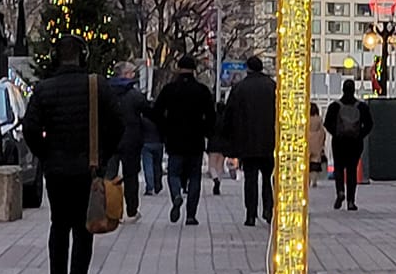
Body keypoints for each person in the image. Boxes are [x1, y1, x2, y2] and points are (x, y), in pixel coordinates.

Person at [21, 37, 123, 274]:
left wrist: (45, 153)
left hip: (55, 169)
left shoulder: (44, 89)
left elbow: (29, 128)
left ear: (57, 57)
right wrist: (102, 155)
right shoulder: (96, 85)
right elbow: (117, 123)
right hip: (87, 168)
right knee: (83, 228)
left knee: (58, 224)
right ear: (82, 56)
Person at [152, 55, 216, 226]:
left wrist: (164, 130)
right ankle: (191, 216)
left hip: (174, 139)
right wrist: (206, 132)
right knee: (195, 177)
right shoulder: (202, 90)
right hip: (195, 140)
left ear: (178, 68)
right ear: (194, 69)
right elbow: (211, 116)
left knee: (173, 173)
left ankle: (177, 196)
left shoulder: (170, 89)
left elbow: (156, 112)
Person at [218, 55, 277, 225]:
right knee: (268, 178)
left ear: (248, 69)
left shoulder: (239, 88)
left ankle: (251, 214)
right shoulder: (273, 87)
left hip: (247, 141)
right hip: (269, 141)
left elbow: (229, 115)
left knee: (250, 179)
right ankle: (268, 208)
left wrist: (227, 140)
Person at [108, 62, 155, 221]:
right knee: (131, 177)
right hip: (131, 141)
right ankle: (131, 211)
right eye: (131, 73)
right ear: (125, 75)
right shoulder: (134, 95)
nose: (133, 75)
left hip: (111, 140)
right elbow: (149, 113)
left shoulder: (107, 93)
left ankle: (110, 209)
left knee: (109, 176)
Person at [324, 79, 373, 211]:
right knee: (351, 170)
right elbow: (369, 124)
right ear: (354, 90)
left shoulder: (334, 106)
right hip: (355, 143)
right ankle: (351, 201)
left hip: (339, 142)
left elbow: (327, 123)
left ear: (343, 90)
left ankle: (340, 191)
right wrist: (360, 134)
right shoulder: (362, 107)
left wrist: (336, 133)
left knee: (339, 168)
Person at [306, 102, 327, 176]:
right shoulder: (319, 120)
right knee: (315, 162)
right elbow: (323, 132)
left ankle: (306, 179)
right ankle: (313, 179)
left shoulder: (305, 119)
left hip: (306, 142)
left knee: (306, 162)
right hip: (317, 143)